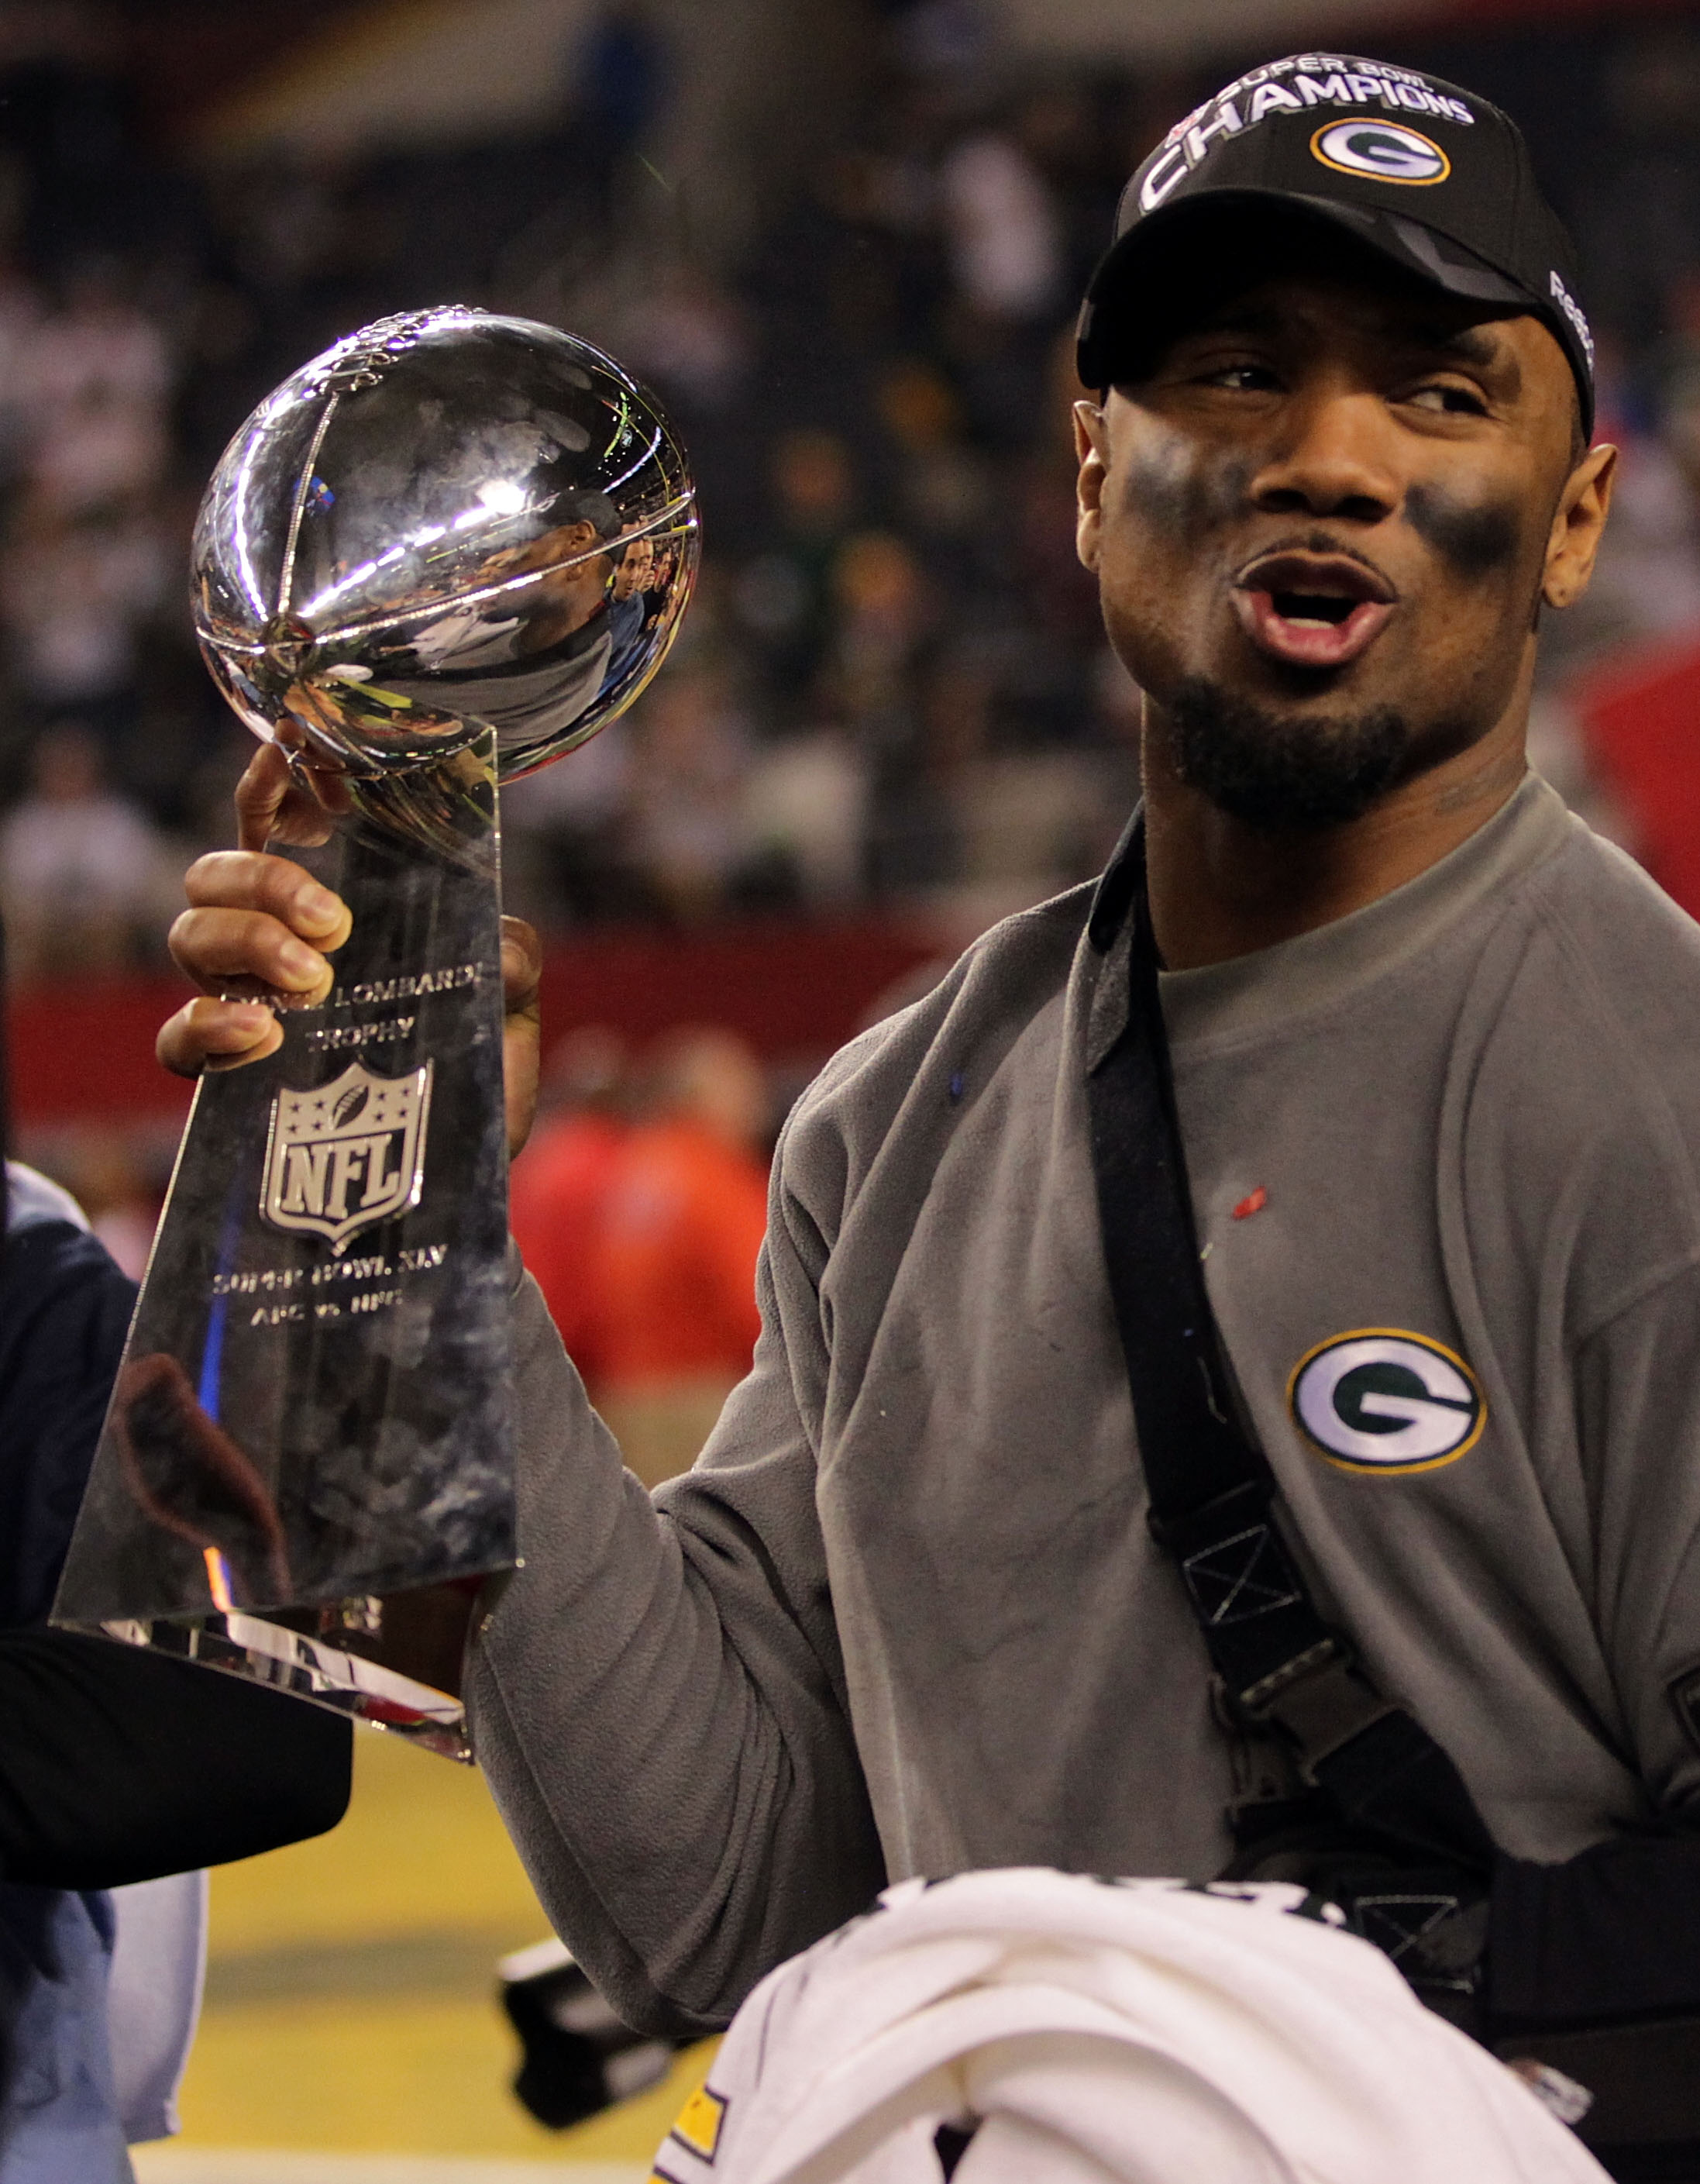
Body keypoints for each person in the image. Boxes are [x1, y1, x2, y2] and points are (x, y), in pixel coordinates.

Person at [161, 51, 1700, 2175]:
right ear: (1088, 470)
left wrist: (1278, 2027)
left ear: (1573, 519)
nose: (1326, 455)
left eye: (1439, 393)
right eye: (1234, 373)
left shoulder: (1659, 1107)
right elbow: (705, 1886)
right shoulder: (895, 1115)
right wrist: (423, 1236)